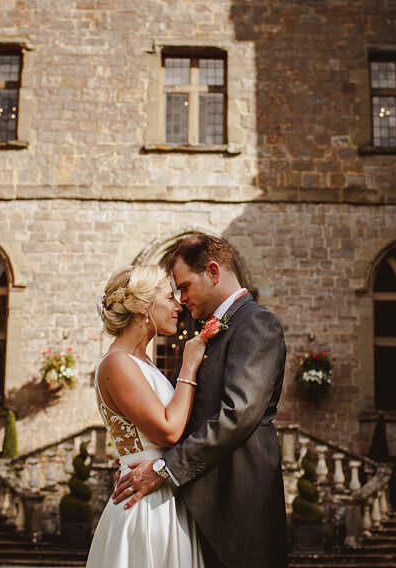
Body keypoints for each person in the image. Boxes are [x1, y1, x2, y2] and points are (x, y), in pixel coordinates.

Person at [112, 234, 288, 568]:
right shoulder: (206, 332)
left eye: (185, 286)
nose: (181, 299)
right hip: (196, 508)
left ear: (213, 271)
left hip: (239, 508)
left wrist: (163, 469)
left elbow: (238, 414)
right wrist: (135, 462)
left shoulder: (257, 323)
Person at [86, 263, 208, 568]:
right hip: (146, 508)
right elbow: (168, 431)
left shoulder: (144, 364)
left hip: (165, 493)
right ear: (143, 307)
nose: (178, 305)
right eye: (169, 297)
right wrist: (189, 367)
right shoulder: (118, 364)